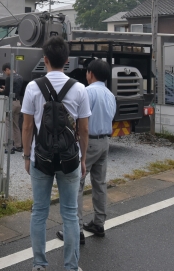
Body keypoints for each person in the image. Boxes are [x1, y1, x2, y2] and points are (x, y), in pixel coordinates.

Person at [22, 37, 90, 271]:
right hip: (70, 158)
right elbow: (84, 129)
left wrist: (26, 156)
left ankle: (40, 264)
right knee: (70, 214)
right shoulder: (79, 88)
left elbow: (27, 126)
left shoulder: (33, 87)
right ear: (67, 61)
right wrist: (82, 159)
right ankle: (71, 267)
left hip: (40, 158)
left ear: (45, 60)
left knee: (39, 210)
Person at [57, 59, 115, 244]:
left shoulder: (87, 92)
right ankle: (99, 223)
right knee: (100, 183)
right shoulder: (110, 94)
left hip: (88, 143)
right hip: (105, 142)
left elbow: (79, 122)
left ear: (90, 73)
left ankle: (76, 230)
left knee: (76, 184)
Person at [1, 62, 24, 153]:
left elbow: (6, 92)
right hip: (18, 102)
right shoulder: (20, 78)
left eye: (4, 71)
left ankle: (8, 146)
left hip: (11, 102)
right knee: (16, 124)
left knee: (7, 123)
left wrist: (2, 90)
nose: (5, 73)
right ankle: (18, 145)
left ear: (7, 69)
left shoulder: (9, 78)